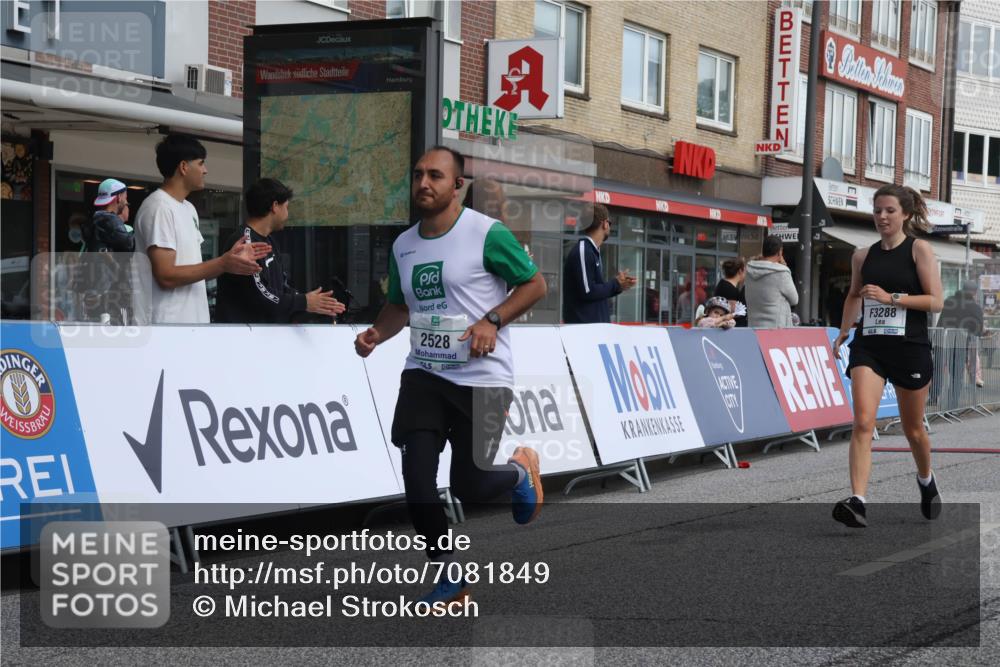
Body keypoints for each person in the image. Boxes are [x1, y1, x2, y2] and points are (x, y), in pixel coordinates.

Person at [354, 146, 547, 606]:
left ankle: (520, 472)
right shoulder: (404, 245)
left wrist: (492, 321)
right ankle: (449, 574)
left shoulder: (487, 234)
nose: (424, 183)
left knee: (470, 485)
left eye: (435, 176)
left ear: (456, 186)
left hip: (483, 379)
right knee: (418, 482)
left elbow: (535, 284)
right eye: (418, 174)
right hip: (423, 373)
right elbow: (401, 305)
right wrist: (377, 334)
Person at [832, 184, 944, 528]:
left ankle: (926, 480)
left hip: (909, 347)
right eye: (878, 210)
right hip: (870, 345)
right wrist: (844, 329)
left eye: (890, 211)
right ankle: (858, 500)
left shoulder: (918, 250)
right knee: (863, 422)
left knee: (913, 430)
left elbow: (936, 301)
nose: (882, 217)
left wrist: (891, 298)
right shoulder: (862, 256)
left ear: (905, 215)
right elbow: (854, 295)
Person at [132, 134, 270, 324]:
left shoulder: (188, 208)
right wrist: (223, 263)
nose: (205, 170)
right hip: (164, 327)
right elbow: (166, 276)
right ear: (183, 167)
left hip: (192, 325)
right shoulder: (159, 207)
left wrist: (231, 259)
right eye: (201, 163)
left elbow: (193, 267)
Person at [215, 178, 345, 324]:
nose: (288, 215)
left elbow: (281, 288)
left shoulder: (269, 240)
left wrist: (312, 303)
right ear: (275, 206)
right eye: (287, 207)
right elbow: (261, 294)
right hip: (242, 339)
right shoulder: (244, 242)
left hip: (267, 337)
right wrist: (303, 302)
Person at [562, 203, 637, 323]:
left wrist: (618, 286)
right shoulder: (583, 250)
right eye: (610, 223)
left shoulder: (591, 251)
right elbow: (588, 291)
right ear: (605, 223)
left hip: (594, 329)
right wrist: (615, 284)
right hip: (584, 330)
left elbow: (594, 292)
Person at [745, 235, 798, 329]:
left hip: (754, 327)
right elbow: (794, 299)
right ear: (780, 252)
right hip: (776, 329)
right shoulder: (781, 273)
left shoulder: (749, 269)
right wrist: (784, 266)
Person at [714, 258, 748, 327]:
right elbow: (733, 314)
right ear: (740, 271)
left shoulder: (723, 284)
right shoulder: (730, 289)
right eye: (745, 270)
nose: (746, 273)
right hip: (731, 331)